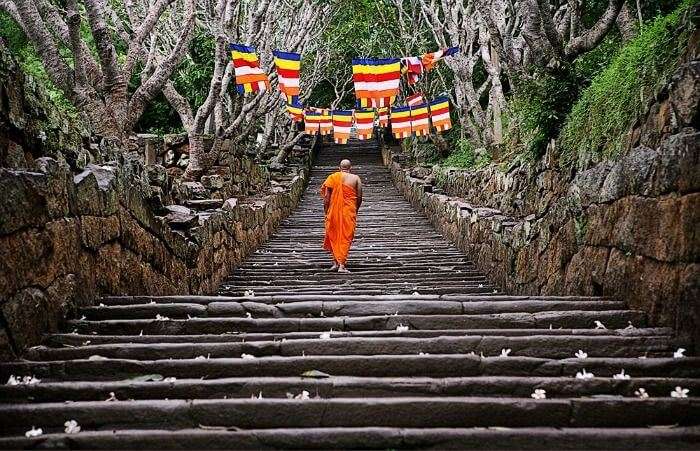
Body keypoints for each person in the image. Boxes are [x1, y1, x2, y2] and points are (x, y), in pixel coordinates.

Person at [320, 159, 363, 273]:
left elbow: (326, 198)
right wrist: (355, 209)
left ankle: (336, 263)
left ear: (339, 168)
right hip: (349, 211)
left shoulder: (333, 177)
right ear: (351, 168)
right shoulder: (356, 178)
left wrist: (326, 212)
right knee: (345, 237)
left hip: (333, 212)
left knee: (334, 235)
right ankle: (340, 265)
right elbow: (359, 198)